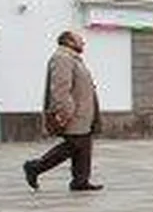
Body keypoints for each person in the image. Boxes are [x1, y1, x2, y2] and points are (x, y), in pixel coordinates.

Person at [23, 31, 101, 190]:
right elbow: (60, 89)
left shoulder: (73, 59)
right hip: (74, 113)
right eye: (80, 40)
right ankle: (35, 167)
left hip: (84, 113)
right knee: (74, 144)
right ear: (69, 42)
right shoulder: (62, 59)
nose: (83, 43)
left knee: (84, 145)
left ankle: (80, 181)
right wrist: (65, 112)